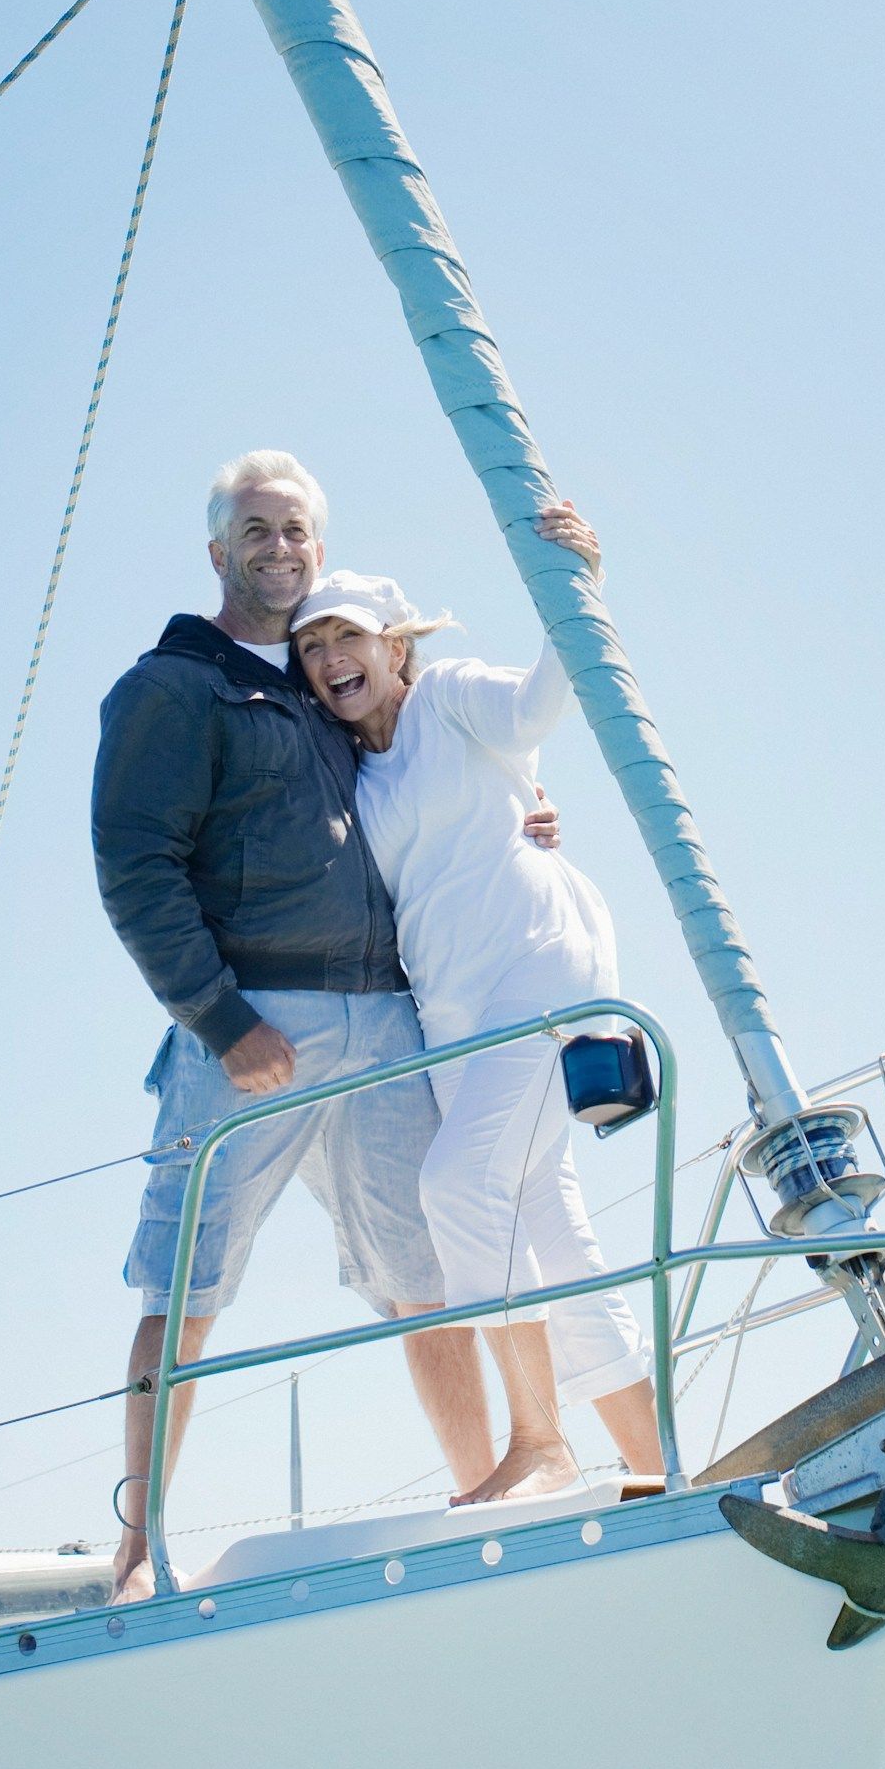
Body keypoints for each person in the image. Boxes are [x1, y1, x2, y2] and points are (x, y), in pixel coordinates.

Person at [90, 449, 555, 1600]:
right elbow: (133, 867)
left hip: (382, 1013)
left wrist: (525, 814)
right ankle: (144, 1550)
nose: (280, 549)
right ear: (217, 551)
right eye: (257, 531)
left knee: (427, 1272)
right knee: (186, 1287)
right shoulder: (171, 687)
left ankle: (478, 1496)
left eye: (297, 530)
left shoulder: (320, 686)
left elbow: (429, 778)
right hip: (250, 1027)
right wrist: (220, 1018)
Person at [292, 503, 666, 1505]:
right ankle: (661, 1471)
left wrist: (579, 580)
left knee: (457, 1187)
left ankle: (541, 1441)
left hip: (541, 970)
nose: (332, 657)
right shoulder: (356, 781)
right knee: (551, 1230)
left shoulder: (451, 696)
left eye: (349, 636)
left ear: (396, 644)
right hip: (454, 1020)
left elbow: (546, 705)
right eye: (313, 645)